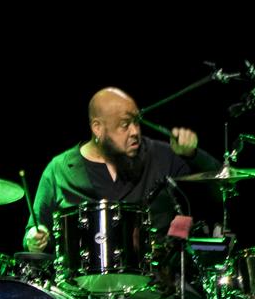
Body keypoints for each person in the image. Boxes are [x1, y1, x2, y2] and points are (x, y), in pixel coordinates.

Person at [23, 87, 219, 252]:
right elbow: (34, 231)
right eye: (125, 125)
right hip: (82, 292)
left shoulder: (160, 156)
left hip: (159, 287)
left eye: (136, 122)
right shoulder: (60, 169)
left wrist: (194, 155)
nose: (135, 131)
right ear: (97, 128)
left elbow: (222, 187)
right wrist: (33, 239)